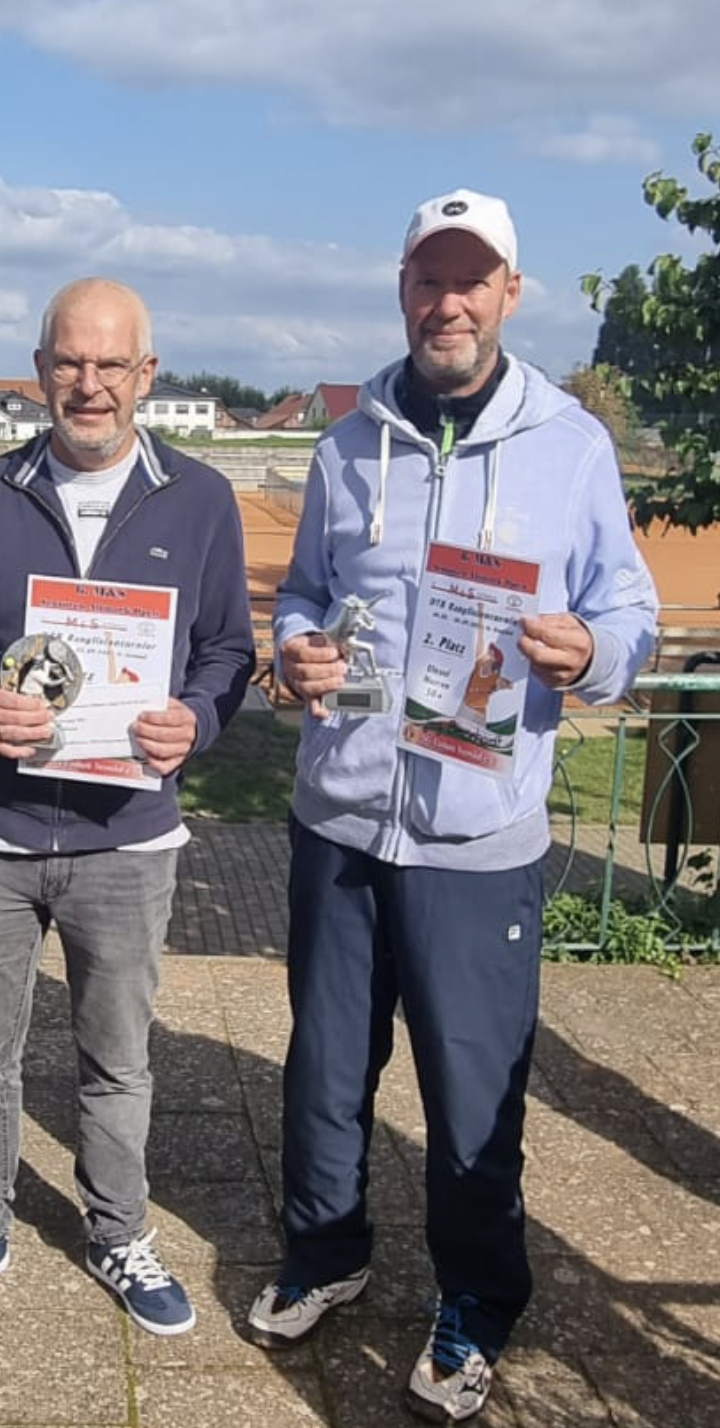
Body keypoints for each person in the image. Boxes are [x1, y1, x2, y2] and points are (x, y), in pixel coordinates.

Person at [248, 191, 658, 1421]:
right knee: (326, 1069)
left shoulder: (573, 446)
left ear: (509, 294)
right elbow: (306, 592)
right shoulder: (346, 443)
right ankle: (327, 1251)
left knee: (473, 1095)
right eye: (430, 279)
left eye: (472, 280)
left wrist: (594, 652)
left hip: (478, 839)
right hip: (340, 820)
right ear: (403, 290)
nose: (449, 303)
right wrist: (299, 649)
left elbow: (630, 611)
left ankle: (476, 1301)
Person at [0, 277, 255, 1336]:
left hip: (128, 839)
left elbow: (227, 652)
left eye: (111, 364)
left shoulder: (200, 499)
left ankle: (117, 1232)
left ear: (146, 374)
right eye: (69, 362)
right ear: (39, 370)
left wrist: (199, 719)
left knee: (119, 1060)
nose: (89, 384)